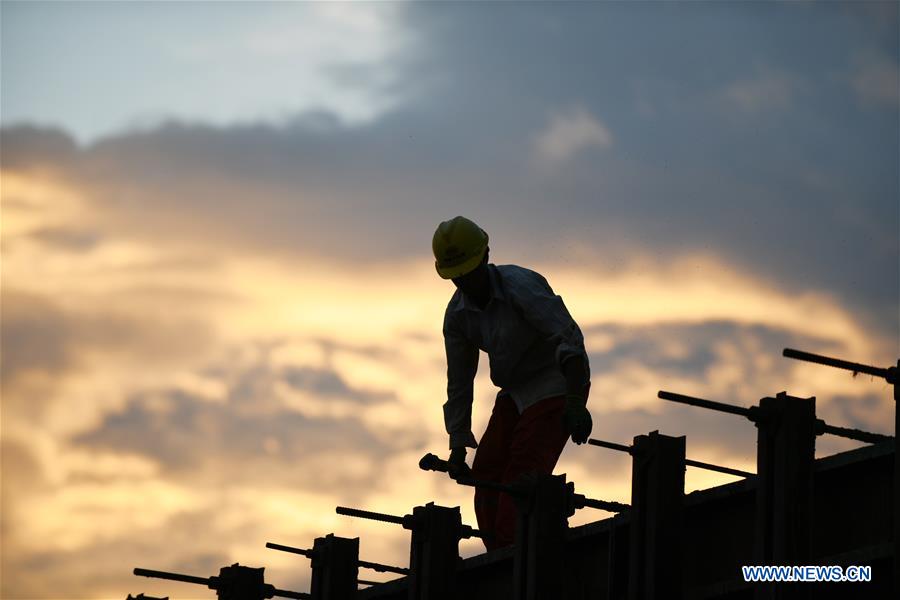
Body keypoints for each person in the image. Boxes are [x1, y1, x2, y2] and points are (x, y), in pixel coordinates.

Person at [432, 215, 592, 550]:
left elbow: (569, 340)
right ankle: (500, 556)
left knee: (522, 476)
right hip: (514, 392)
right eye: (457, 276)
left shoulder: (521, 286)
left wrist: (576, 400)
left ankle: (516, 555)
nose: (464, 282)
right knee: (486, 472)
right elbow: (459, 383)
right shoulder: (457, 315)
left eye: (468, 272)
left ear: (486, 256)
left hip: (555, 383)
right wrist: (458, 444)